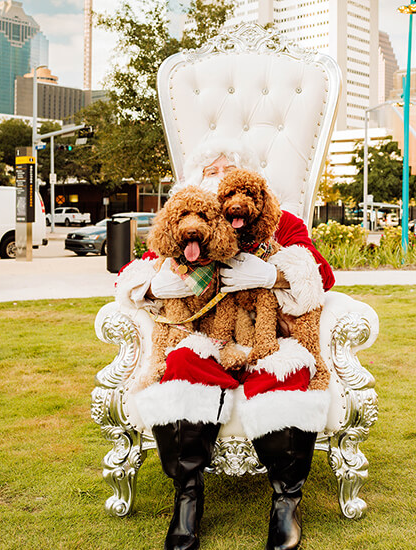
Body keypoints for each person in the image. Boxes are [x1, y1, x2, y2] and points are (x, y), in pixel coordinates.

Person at [114, 141, 334, 550]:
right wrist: (147, 287)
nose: (219, 177)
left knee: (287, 371)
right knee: (180, 363)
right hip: (208, 339)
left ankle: (286, 501)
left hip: (265, 340)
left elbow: (322, 274)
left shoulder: (282, 222)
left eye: (227, 170)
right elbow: (135, 269)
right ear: (199, 180)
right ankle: (187, 498)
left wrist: (272, 276)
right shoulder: (189, 223)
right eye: (211, 171)